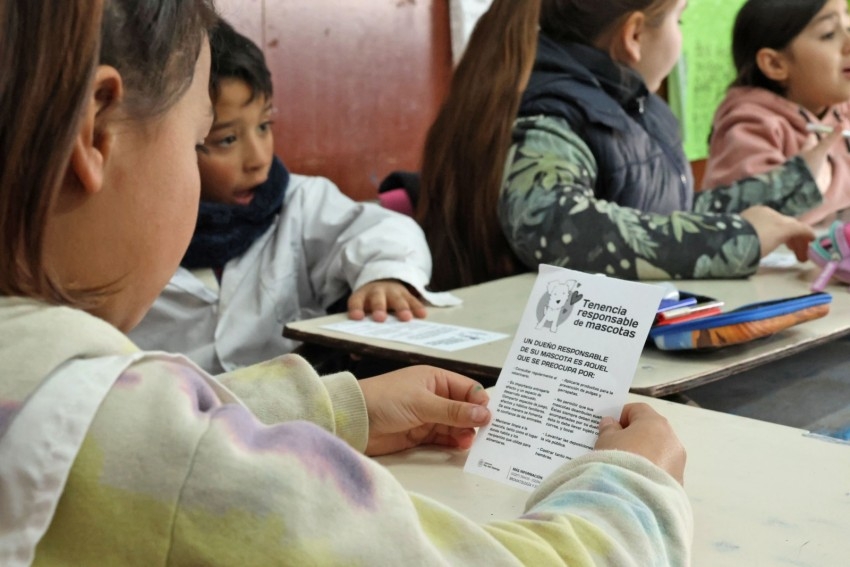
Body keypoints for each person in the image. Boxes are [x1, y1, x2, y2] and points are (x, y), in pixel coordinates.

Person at [0, 0, 692, 564]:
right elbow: (161, 448)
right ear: (95, 133)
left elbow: (148, 424)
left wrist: (333, 406)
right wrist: (632, 486)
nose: (255, 155)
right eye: (199, 139)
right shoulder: (142, 445)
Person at [416, 0, 840, 291]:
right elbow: (557, 227)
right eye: (679, 21)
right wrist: (736, 238)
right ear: (634, 34)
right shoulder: (552, 114)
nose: (679, 37)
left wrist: (793, 182)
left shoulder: (631, 110)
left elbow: (662, 215)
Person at [128, 19, 448, 373]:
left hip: (295, 412)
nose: (258, 158)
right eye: (227, 139)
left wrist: (385, 276)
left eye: (264, 126)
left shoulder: (299, 202)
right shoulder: (131, 231)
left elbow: (382, 230)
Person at [703, 0, 850, 227]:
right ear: (774, 64)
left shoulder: (841, 108)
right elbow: (749, 223)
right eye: (829, 34)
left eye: (849, 26)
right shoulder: (750, 125)